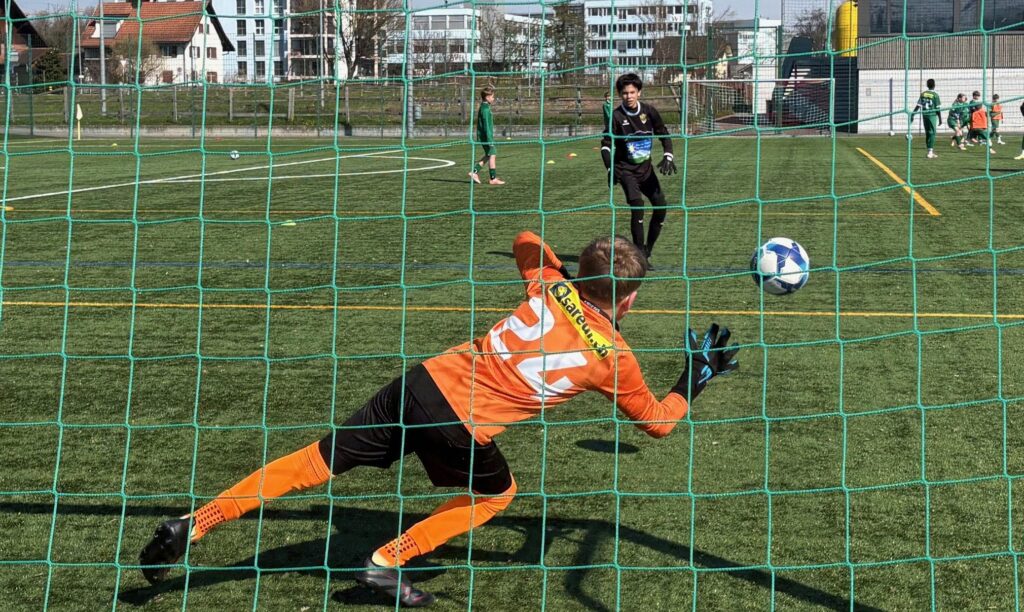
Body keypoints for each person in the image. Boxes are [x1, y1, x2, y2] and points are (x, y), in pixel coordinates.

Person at [138, 231, 740, 607]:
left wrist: (563, 271)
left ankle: (196, 522)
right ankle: (385, 562)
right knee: (497, 496)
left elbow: (525, 239)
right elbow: (658, 422)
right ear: (629, 299)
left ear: (581, 276)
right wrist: (694, 377)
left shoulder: (550, 287)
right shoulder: (614, 357)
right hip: (462, 425)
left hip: (422, 382)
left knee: (315, 462)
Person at [601, 73, 677, 267]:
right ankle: (639, 256)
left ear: (639, 92)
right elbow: (606, 145)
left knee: (660, 206)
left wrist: (668, 155)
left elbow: (664, 134)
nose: (629, 96)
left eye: (632, 92)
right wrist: (610, 167)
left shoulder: (649, 112)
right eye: (625, 93)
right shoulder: (617, 116)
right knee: (638, 205)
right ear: (620, 94)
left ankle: (647, 250)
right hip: (625, 170)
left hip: (646, 170)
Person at [469, 86, 504, 185]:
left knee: (489, 155)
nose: (493, 98)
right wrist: (490, 140)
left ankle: (474, 172)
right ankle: (493, 179)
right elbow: (486, 126)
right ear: (487, 97)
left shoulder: (485, 107)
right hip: (486, 137)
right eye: (492, 97)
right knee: (492, 155)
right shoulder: (485, 109)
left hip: (485, 136)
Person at [910, 78, 942, 159]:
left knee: (928, 132)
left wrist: (913, 114)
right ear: (934, 85)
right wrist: (940, 119)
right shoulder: (935, 95)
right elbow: (938, 108)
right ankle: (930, 152)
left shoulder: (923, 94)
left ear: (927, 85)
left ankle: (929, 151)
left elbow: (918, 105)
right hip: (932, 115)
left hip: (924, 115)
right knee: (932, 133)